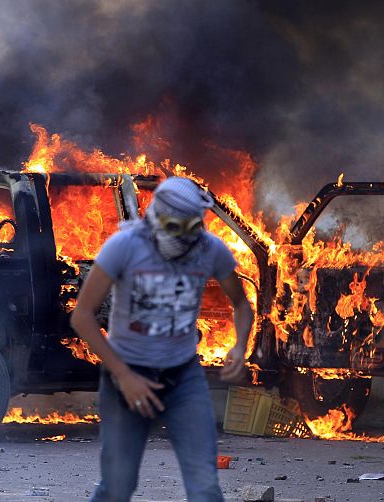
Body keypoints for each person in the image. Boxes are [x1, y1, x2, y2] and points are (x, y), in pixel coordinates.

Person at [71, 176, 254, 502]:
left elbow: (241, 304)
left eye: (191, 228)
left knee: (205, 487)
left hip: (184, 378)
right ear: (157, 218)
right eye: (175, 227)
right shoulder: (124, 246)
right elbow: (82, 316)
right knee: (117, 488)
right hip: (127, 378)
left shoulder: (210, 249)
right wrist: (123, 375)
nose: (184, 238)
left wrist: (240, 347)